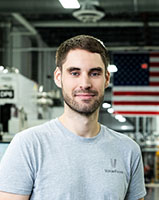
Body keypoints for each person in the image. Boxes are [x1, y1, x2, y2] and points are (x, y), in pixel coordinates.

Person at [0, 35, 147, 200]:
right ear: (58, 77)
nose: (85, 83)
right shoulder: (29, 146)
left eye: (95, 73)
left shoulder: (128, 150)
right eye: (75, 73)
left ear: (106, 79)